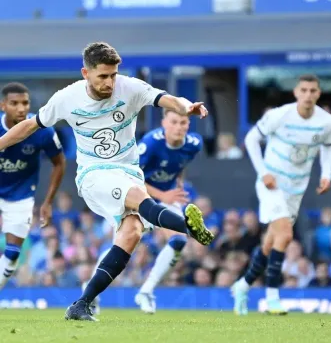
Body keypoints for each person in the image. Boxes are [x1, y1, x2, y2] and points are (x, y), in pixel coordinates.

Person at [0, 42, 214, 322]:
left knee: (132, 233)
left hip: (128, 170)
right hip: (94, 174)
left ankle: (81, 304)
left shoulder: (130, 88)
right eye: (103, 76)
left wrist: (187, 107)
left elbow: (168, 100)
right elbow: (30, 126)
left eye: (113, 75)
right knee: (138, 195)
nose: (110, 82)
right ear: (85, 73)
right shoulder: (67, 98)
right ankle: (187, 226)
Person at [231, 74, 331, 315]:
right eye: (304, 90)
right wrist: (263, 172)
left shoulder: (326, 122)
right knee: (286, 235)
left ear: (318, 94)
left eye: (313, 91)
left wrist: (326, 174)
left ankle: (242, 285)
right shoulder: (280, 115)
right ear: (296, 92)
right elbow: (251, 138)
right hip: (272, 184)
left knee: (272, 241)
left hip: (296, 189)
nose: (308, 95)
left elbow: (328, 146)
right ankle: (272, 296)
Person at [135, 109, 203, 313]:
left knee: (179, 240)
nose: (179, 127)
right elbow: (131, 178)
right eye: (174, 122)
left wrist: (178, 182)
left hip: (167, 196)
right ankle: (90, 292)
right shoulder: (150, 143)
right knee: (123, 248)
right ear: (164, 122)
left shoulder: (194, 144)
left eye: (183, 123)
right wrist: (163, 196)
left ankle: (146, 291)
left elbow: (180, 163)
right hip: (138, 197)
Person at [0, 82, 65, 290]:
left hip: (21, 194)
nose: (21, 108)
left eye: (25, 103)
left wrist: (47, 202)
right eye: (14, 103)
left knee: (12, 254)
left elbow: (59, 163)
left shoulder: (42, 129)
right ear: (3, 106)